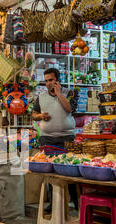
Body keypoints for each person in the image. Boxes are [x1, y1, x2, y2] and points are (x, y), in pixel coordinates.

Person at [32, 68, 79, 212]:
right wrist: (40, 116)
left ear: (58, 79)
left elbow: (70, 108)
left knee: (70, 171)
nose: (48, 83)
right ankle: (53, 203)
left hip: (67, 137)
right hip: (48, 139)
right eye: (46, 81)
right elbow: (33, 114)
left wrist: (59, 94)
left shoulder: (70, 93)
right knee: (50, 172)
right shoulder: (41, 97)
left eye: (51, 80)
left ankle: (76, 203)